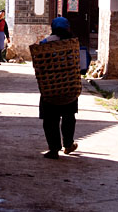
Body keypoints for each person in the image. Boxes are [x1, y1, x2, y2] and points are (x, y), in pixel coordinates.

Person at [39, 17, 78, 159]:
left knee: (50, 120)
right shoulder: (73, 44)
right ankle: (68, 144)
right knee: (69, 118)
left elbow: (38, 66)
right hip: (69, 89)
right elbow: (83, 65)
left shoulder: (44, 44)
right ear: (68, 28)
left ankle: (54, 149)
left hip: (49, 89)